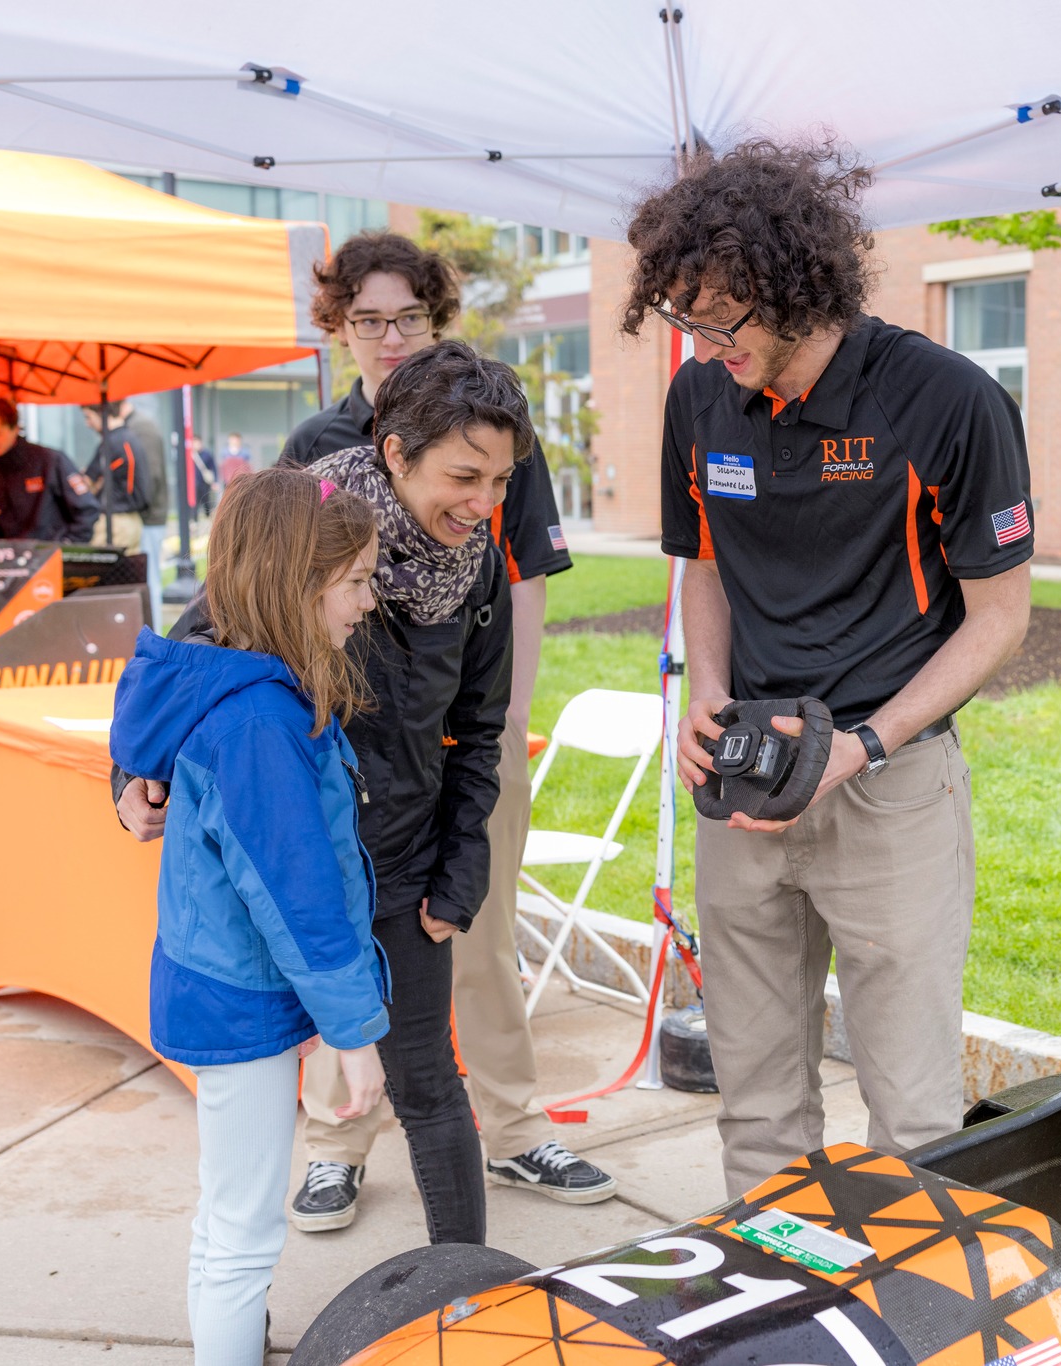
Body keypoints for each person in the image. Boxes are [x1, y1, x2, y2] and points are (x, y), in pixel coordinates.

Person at [623, 139, 1034, 1195]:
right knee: (756, 1106)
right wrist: (707, 691)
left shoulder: (945, 400)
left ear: (797, 286)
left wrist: (861, 744)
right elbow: (704, 562)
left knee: (913, 1116)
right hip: (747, 779)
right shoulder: (700, 400)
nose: (706, 345)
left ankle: (923, 1328)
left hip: (888, 785)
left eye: (722, 318)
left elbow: (998, 619)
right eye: (685, 319)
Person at [116, 340, 524, 1248]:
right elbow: (183, 672)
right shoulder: (307, 535)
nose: (485, 504)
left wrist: (459, 877)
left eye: (500, 481)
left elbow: (478, 735)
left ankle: (466, 1278)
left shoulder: (478, 570)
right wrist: (132, 780)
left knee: (428, 1083)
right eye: (465, 476)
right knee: (277, 1088)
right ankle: (261, 1255)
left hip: (406, 873)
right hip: (297, 872)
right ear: (396, 453)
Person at [276, 229, 603, 1226]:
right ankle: (336, 1144)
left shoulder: (489, 426)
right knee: (343, 939)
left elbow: (520, 582)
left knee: (478, 924)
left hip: (468, 720)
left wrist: (505, 718)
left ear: (433, 319)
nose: (387, 336)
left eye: (406, 317)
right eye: (366, 319)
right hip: (344, 750)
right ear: (340, 327)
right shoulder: (315, 451)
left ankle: (511, 1126)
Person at [109, 465, 389, 1366]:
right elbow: (296, 897)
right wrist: (354, 1034)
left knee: (229, 1219)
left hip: (232, 991)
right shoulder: (257, 723)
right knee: (240, 1235)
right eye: (355, 581)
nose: (368, 602)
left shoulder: (240, 693)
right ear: (297, 584)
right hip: (240, 1005)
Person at [0, 397, 100, 542]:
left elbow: (87, 508)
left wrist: (68, 546)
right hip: (9, 559)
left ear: (15, 429)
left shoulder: (50, 460)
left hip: (53, 555)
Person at [80, 399, 168, 570]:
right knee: (131, 580)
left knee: (104, 580)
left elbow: (88, 482)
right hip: (132, 521)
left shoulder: (112, 443)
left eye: (89, 417)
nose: (87, 423)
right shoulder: (130, 438)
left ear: (101, 413)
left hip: (115, 523)